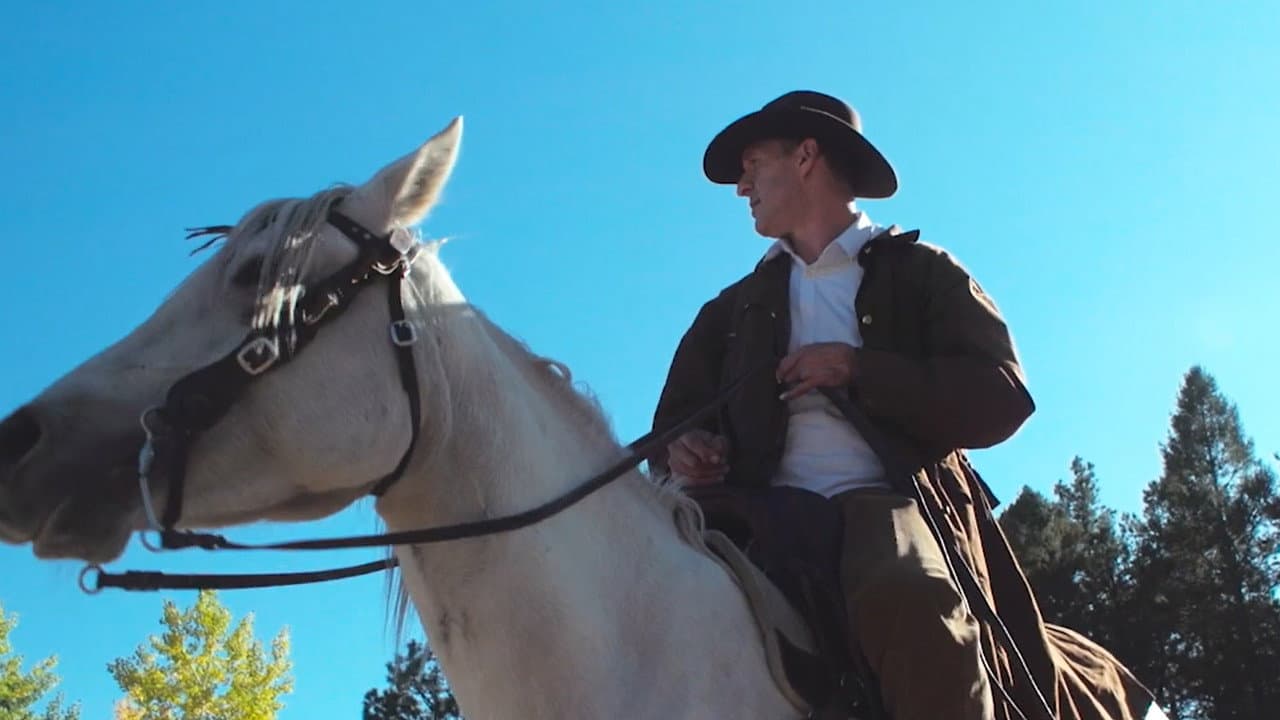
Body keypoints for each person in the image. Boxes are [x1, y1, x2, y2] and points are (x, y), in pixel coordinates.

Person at [651, 90, 1158, 720]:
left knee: (914, 598)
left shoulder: (922, 272)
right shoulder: (725, 313)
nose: (740, 186)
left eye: (753, 163)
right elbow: (671, 431)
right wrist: (686, 453)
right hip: (750, 517)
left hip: (887, 505)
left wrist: (858, 368)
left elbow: (1001, 397)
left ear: (807, 155)